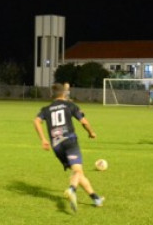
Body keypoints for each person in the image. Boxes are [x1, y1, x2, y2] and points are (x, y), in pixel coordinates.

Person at [33, 82, 105, 212]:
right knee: (77, 171)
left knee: (78, 173)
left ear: (52, 95)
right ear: (64, 93)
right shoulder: (69, 105)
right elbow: (84, 122)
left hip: (56, 146)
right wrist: (91, 133)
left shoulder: (46, 109)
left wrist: (43, 139)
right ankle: (72, 189)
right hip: (70, 141)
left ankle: (96, 198)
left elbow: (36, 121)